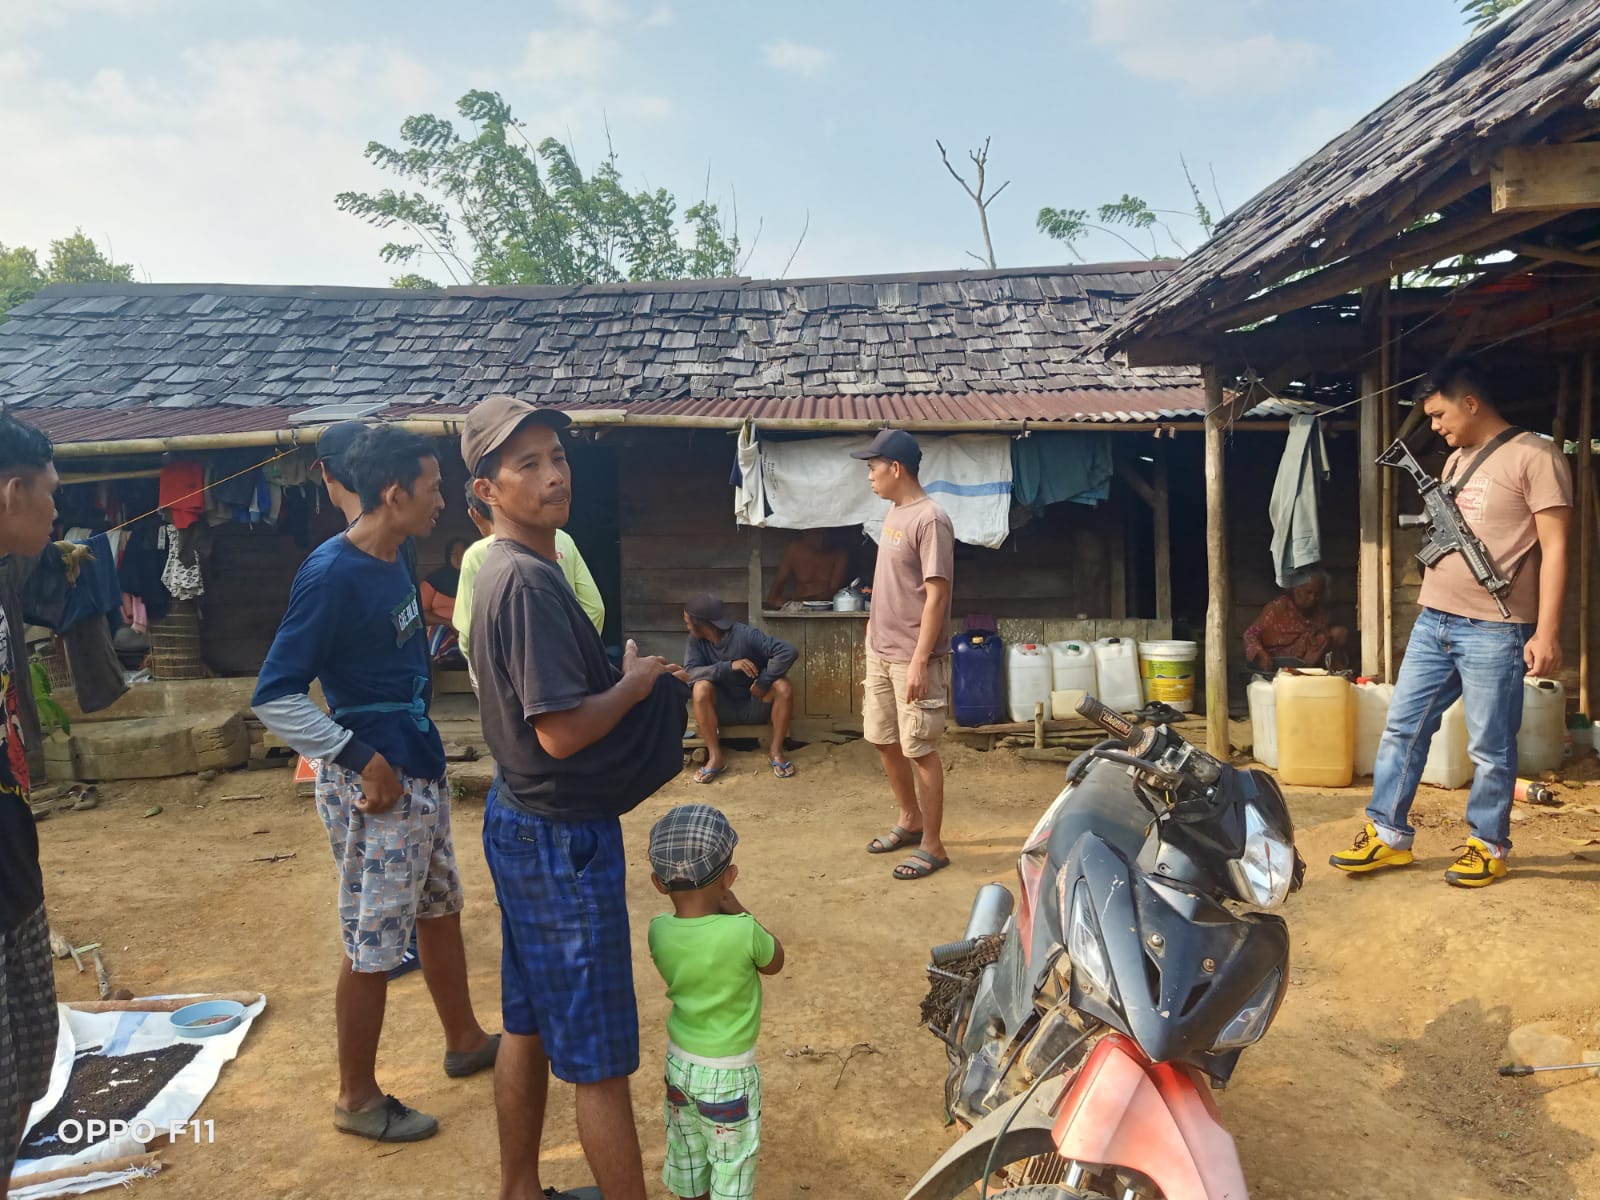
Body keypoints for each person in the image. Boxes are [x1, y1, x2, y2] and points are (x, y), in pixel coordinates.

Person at [463, 394, 689, 1200]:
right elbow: (560, 733)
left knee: (525, 1022)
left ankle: (520, 1187)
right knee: (597, 1059)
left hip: (521, 816)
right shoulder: (523, 580)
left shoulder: (515, 568)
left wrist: (614, 680)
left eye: (557, 457)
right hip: (560, 839)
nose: (554, 475)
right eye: (527, 464)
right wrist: (632, 686)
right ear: (487, 487)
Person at [252, 425, 498, 1143]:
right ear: (393, 495)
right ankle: (357, 1097)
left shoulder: (398, 553)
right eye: (432, 489)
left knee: (441, 905)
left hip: (415, 765)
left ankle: (465, 1039)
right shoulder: (330, 574)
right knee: (373, 940)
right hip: (377, 786)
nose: (443, 502)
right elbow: (276, 694)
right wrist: (358, 757)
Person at [1331, 357, 1572, 888]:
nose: (1435, 427)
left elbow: (1556, 549)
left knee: (1490, 745)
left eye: (1439, 415)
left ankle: (1487, 844)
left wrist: (1547, 630)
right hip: (1434, 620)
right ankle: (1387, 834)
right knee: (1403, 727)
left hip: (1496, 626)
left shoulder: (1538, 455)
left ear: (1470, 402)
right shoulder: (1454, 462)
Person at [646, 804, 784, 1200]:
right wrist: (741, 911)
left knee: (688, 1151)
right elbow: (774, 961)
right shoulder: (742, 931)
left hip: (679, 1064)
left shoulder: (658, 931)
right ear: (730, 878)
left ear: (659, 883)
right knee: (732, 1163)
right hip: (729, 1074)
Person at [851, 429, 955, 881]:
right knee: (882, 737)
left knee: (920, 748)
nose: (870, 477)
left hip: (914, 658)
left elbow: (937, 596)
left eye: (873, 468)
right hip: (881, 651)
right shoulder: (895, 512)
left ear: (896, 469)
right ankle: (909, 819)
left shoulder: (931, 519)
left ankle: (933, 845)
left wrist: (918, 660)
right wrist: (873, 633)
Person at [0, 414, 60, 1191]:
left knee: (28, 1059)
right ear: (13, 492)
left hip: (13, 860)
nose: (56, 513)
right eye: (50, 497)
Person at [455, 481, 605, 661]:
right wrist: (574, 649)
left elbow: (469, 633)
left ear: (474, 514)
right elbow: (595, 608)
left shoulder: (476, 555)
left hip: (511, 673)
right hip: (568, 664)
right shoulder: (562, 539)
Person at [681, 593, 798, 783]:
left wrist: (764, 682)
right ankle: (715, 758)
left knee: (783, 686)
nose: (686, 626)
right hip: (722, 709)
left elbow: (788, 651)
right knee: (700, 687)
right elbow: (690, 674)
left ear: (701, 623)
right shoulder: (695, 641)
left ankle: (776, 752)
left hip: (756, 703)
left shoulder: (745, 635)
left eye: (687, 621)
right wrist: (728, 666)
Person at [1242, 567, 1349, 672]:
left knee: (1336, 634)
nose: (1312, 598)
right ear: (1296, 588)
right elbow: (1250, 634)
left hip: (1304, 667)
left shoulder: (1321, 614)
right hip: (1274, 665)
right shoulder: (1278, 607)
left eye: (1317, 594)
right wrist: (1261, 654)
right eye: (1308, 592)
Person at [764, 528, 849, 609]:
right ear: (806, 532)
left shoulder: (839, 553)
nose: (821, 538)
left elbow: (835, 590)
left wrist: (806, 602)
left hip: (826, 608)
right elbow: (779, 581)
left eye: (825, 533)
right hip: (799, 609)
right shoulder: (795, 550)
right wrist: (775, 600)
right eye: (816, 533)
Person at [420, 538, 469, 663]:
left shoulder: (476, 579)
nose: (458, 557)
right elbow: (420, 614)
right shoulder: (434, 580)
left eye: (463, 553)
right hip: (441, 630)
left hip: (467, 631)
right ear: (448, 556)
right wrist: (448, 623)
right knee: (438, 633)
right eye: (454, 553)